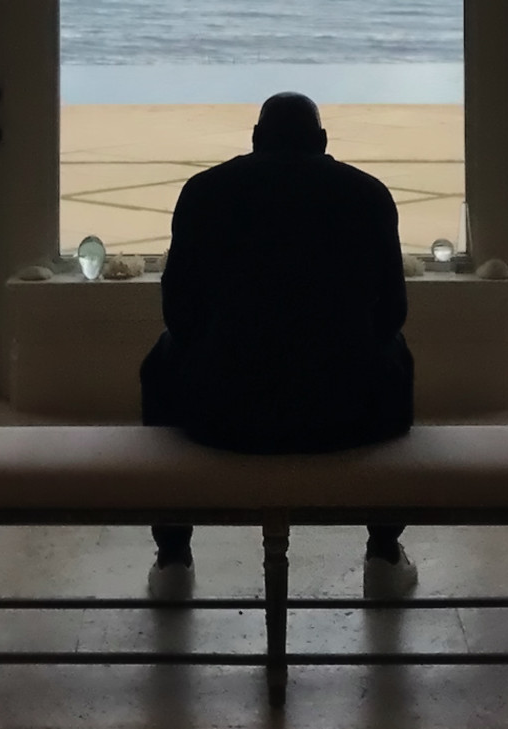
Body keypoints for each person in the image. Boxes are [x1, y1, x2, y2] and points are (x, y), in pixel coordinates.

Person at [140, 92, 416, 599]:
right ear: (323, 141)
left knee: (159, 360)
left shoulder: (204, 192)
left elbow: (178, 314)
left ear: (255, 139)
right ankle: (383, 548)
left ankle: (173, 553)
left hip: (223, 412)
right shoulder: (367, 194)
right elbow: (392, 313)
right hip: (346, 412)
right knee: (397, 354)